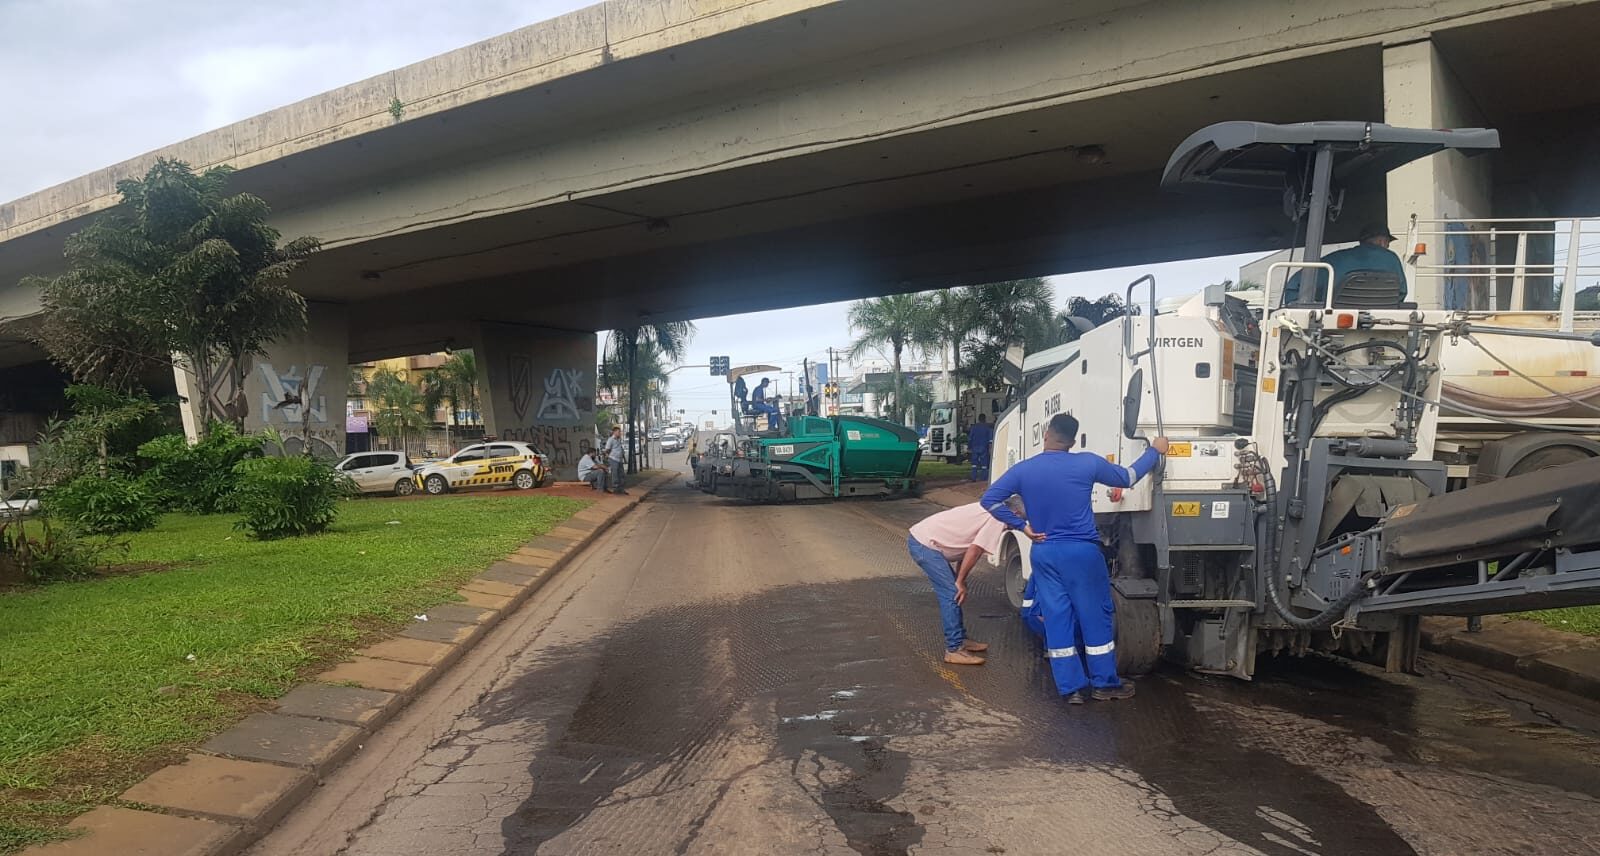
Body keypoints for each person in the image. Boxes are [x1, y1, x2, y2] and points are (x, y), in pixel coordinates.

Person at [980, 413, 1168, 704]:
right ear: (1072, 440)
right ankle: (1104, 684)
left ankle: (1071, 690)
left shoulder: (1024, 470)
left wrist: (1023, 527)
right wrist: (1155, 450)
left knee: (1057, 617)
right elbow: (1128, 477)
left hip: (1043, 550)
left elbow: (989, 499)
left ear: (1046, 434)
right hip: (1082, 552)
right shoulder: (1087, 463)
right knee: (1094, 616)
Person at [906, 502, 1011, 665]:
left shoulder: (992, 508)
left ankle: (960, 639)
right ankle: (954, 649)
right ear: (1016, 513)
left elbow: (966, 548)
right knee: (951, 594)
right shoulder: (998, 518)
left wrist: (961, 579)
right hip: (925, 544)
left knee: (956, 589)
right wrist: (960, 581)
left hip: (924, 539)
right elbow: (975, 550)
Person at [1283, 224, 1408, 305]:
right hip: (1382, 322)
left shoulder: (1336, 259)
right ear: (1382, 241)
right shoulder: (1392, 259)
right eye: (1387, 243)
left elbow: (1295, 286)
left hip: (1334, 323)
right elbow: (1401, 292)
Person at [966, 412, 994, 482]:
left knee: (974, 464)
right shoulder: (987, 428)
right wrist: (990, 449)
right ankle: (983, 478)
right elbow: (990, 439)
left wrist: (969, 447)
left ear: (978, 419)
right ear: (985, 419)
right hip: (984, 448)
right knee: (984, 464)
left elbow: (970, 439)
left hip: (974, 447)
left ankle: (973, 477)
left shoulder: (974, 427)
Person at [604, 425, 628, 495]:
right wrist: (608, 457)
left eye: (620, 432)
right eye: (618, 432)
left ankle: (621, 489)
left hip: (619, 460)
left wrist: (624, 459)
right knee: (615, 474)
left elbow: (621, 449)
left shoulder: (619, 439)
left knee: (622, 474)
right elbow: (607, 449)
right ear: (614, 432)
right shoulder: (610, 440)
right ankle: (615, 489)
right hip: (613, 459)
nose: (620, 433)